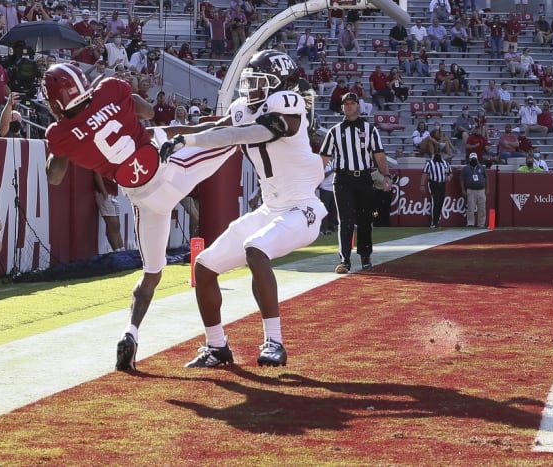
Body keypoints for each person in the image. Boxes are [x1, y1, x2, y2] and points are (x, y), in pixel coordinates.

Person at [42, 63, 238, 371]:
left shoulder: (60, 135)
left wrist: (60, 145)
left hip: (144, 200)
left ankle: (130, 333)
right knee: (231, 138)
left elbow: (54, 177)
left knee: (151, 275)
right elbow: (147, 112)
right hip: (169, 171)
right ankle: (261, 119)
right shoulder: (110, 88)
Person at [160, 49, 327, 368]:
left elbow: (255, 133)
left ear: (280, 85)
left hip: (301, 209)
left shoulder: (288, 106)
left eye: (259, 82)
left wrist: (189, 143)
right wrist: (169, 134)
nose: (250, 88)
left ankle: (274, 342)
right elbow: (215, 129)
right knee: (205, 266)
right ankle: (217, 347)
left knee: (255, 248)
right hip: (272, 208)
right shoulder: (244, 108)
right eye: (249, 81)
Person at [320, 92, 390, 273]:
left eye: (352, 103)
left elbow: (379, 155)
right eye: (346, 104)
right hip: (343, 178)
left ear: (358, 106)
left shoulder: (370, 129)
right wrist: (311, 178)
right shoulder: (334, 131)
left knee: (365, 219)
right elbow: (324, 158)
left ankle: (365, 258)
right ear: (342, 107)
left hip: (364, 178)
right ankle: (345, 260)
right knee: (345, 220)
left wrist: (387, 175)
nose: (349, 106)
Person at [93, 172, 124, 252]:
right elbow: (97, 174)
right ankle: (116, 251)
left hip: (113, 193)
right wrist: (104, 192)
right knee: (112, 223)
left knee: (117, 225)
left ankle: (122, 250)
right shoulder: (101, 161)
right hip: (105, 194)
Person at [420, 152, 452, 229]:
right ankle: (433, 222)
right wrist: (422, 185)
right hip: (433, 183)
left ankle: (437, 221)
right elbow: (425, 174)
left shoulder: (445, 163)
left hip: (442, 184)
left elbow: (450, 173)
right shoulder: (429, 163)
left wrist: (449, 177)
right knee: (435, 201)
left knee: (441, 201)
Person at [459, 153, 488, 228]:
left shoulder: (481, 168)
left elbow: (486, 178)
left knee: (482, 208)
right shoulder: (465, 168)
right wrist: (463, 190)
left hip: (481, 190)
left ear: (477, 159)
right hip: (471, 190)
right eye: (472, 159)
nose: (474, 160)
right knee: (470, 208)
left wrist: (487, 189)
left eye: (475, 158)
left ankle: (481, 224)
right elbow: (462, 179)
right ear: (469, 159)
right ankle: (470, 223)